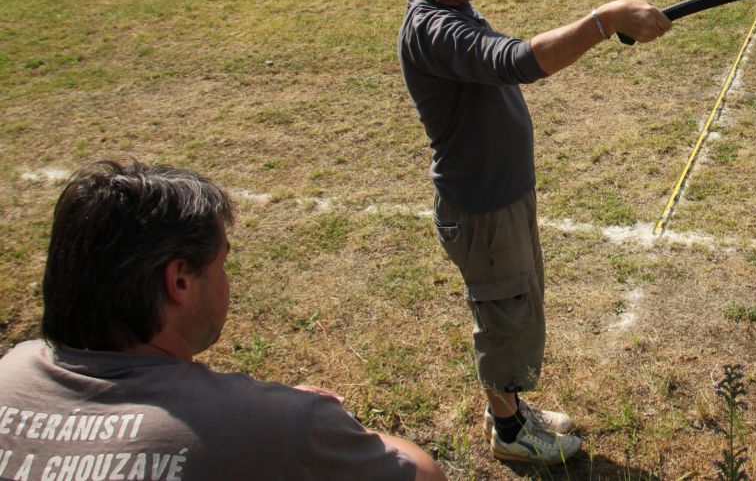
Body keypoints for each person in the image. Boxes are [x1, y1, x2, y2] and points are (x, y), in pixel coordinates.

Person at [398, 0, 670, 464]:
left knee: (516, 307)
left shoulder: (454, 7)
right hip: (483, 208)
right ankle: (508, 432)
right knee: (503, 316)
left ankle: (511, 409)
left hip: (504, 196)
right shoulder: (434, 28)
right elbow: (515, 61)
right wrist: (605, 20)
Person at [0, 160, 444, 481]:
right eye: (221, 264)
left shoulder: (11, 370)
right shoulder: (278, 425)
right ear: (179, 281)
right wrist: (322, 427)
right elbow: (423, 474)